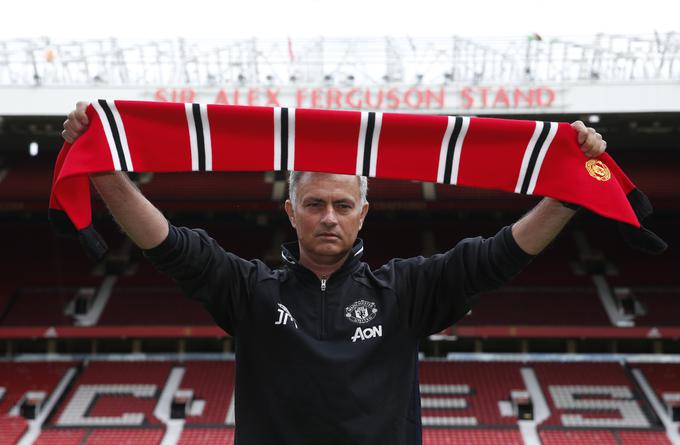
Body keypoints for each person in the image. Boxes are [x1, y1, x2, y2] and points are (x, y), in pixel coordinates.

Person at [62, 102, 607, 444]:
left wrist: (569, 192)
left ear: (362, 213)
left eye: (343, 205)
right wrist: (103, 171)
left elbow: (498, 257)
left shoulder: (407, 289)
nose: (328, 217)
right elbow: (168, 245)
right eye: (315, 203)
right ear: (290, 210)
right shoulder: (249, 290)